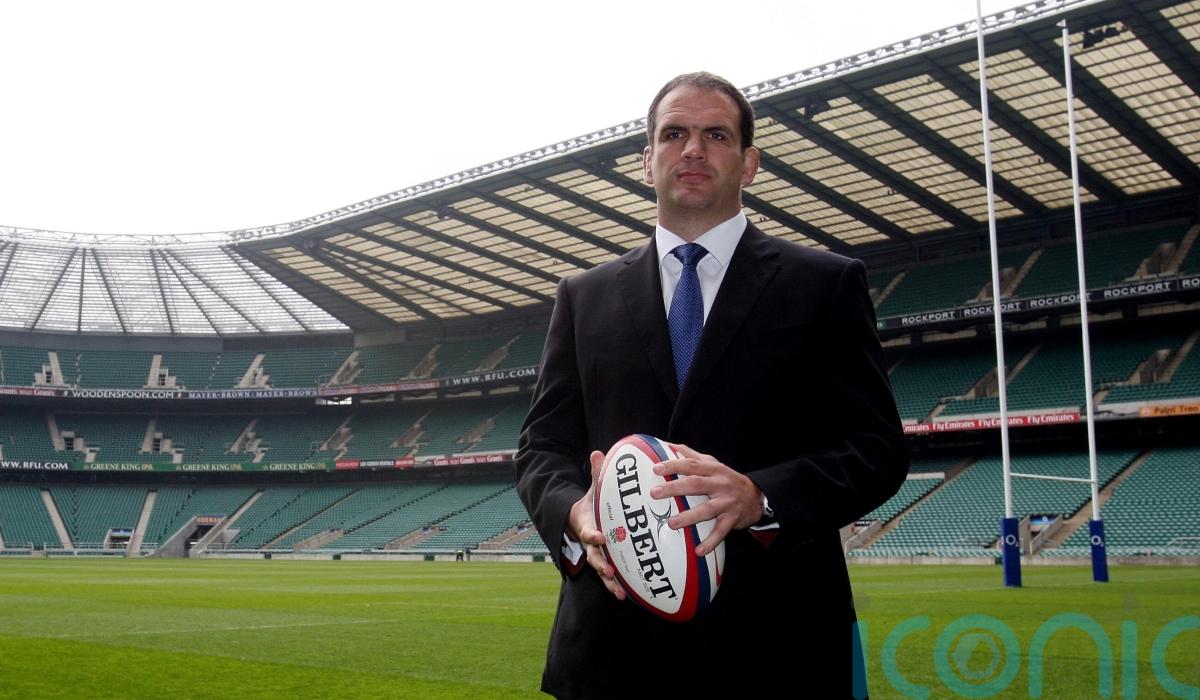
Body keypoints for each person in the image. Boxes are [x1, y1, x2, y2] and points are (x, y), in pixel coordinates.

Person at [515, 71, 908, 698]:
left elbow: (877, 449)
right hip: (612, 652)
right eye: (674, 134)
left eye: (716, 135)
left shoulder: (824, 283)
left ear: (749, 163)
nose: (693, 149)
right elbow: (541, 448)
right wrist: (575, 510)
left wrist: (760, 496)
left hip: (780, 645)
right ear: (647, 160)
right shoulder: (582, 296)